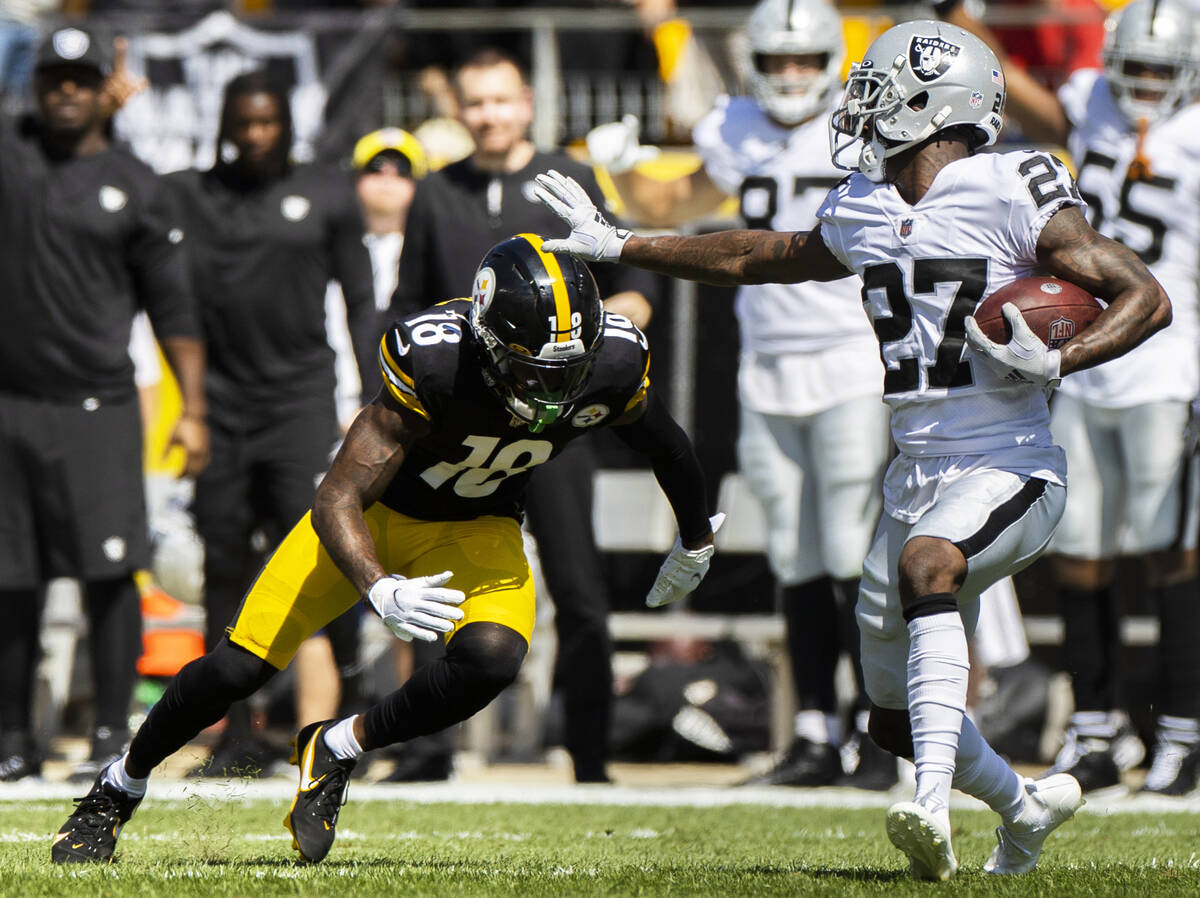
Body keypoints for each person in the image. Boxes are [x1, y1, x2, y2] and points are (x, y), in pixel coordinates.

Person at [534, 19, 1171, 879]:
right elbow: (757, 254)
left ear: (933, 104)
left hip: (1010, 460)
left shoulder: (1009, 187)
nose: (860, 108)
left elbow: (1145, 296)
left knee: (928, 566)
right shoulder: (867, 202)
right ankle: (1024, 811)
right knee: (891, 716)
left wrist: (1062, 358)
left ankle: (930, 806)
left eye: (878, 92)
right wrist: (623, 244)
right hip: (914, 471)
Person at [50, 235, 721, 865]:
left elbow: (668, 446)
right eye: (533, 370)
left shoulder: (613, 362)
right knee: (235, 669)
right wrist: (378, 585)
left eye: (568, 372)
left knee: (491, 659)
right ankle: (118, 785)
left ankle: (337, 746)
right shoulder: (436, 359)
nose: (553, 391)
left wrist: (696, 539)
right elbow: (336, 497)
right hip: (371, 519)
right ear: (488, 341)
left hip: (476, 523)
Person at [588, 0, 895, 789]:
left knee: (849, 550)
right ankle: (814, 731)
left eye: (806, 60)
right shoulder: (735, 127)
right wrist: (621, 169)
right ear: (754, 64)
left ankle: (876, 732)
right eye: (778, 60)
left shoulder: (867, 125)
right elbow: (674, 204)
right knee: (794, 551)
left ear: (830, 62)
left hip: (852, 356)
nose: (791, 75)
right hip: (767, 363)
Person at [940, 0, 1200, 798]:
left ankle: (1182, 732)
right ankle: (1095, 730)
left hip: (1172, 366)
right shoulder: (1090, 100)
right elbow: (1029, 97)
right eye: (1136, 67)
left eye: (1162, 69)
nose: (1146, 83)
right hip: (1085, 362)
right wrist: (959, 19)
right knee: (1080, 552)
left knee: (1172, 551)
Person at [390, 46, 657, 784]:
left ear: (528, 104)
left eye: (502, 100)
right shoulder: (434, 191)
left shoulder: (569, 179)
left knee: (579, 589)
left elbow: (634, 284)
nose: (490, 116)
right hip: (459, 430)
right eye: (476, 102)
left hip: (553, 430)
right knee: (433, 585)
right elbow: (406, 304)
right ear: (458, 110)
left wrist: (599, 343)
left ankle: (590, 757)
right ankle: (426, 750)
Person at [0, 26, 208, 782]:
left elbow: (173, 309)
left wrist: (193, 409)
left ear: (101, 90)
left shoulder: (137, 184)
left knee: (110, 574)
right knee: (11, 580)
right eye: (55, 79)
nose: (66, 91)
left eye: (81, 81)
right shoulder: (10, 154)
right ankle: (13, 739)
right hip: (10, 406)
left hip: (100, 409)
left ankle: (111, 735)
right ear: (35, 86)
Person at [164, 68, 377, 775]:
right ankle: (233, 734)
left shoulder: (327, 192)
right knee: (224, 565)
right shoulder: (191, 195)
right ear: (225, 126)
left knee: (319, 556)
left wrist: (376, 399)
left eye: (267, 122)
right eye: (243, 123)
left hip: (298, 404)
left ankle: (340, 726)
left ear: (287, 124)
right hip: (220, 408)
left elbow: (360, 299)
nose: (256, 135)